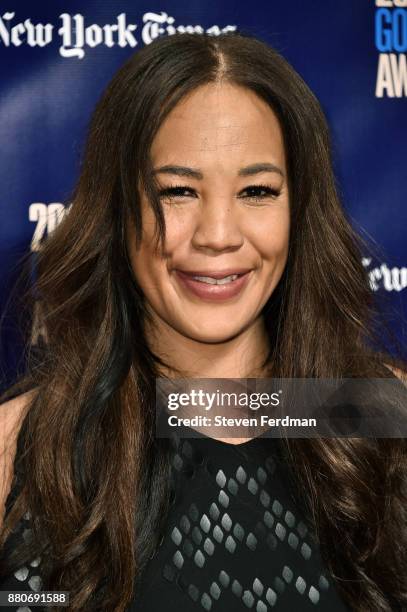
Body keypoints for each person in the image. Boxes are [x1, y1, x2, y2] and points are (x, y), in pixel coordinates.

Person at [0, 31, 406, 612]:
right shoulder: (18, 446)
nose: (218, 235)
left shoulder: (384, 416)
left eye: (258, 191)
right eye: (179, 190)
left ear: (301, 211)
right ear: (117, 210)